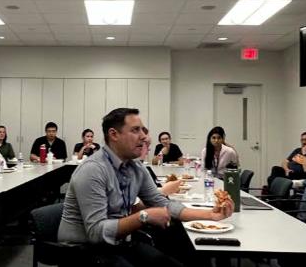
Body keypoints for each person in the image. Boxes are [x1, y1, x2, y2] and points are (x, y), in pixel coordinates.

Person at [59, 108, 233, 266]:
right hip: (84, 251)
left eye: (143, 130)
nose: (144, 136)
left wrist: (211, 215)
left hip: (120, 243)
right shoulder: (93, 170)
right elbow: (97, 234)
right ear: (114, 134)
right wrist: (144, 216)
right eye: (136, 130)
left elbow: (161, 202)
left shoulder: (135, 167)